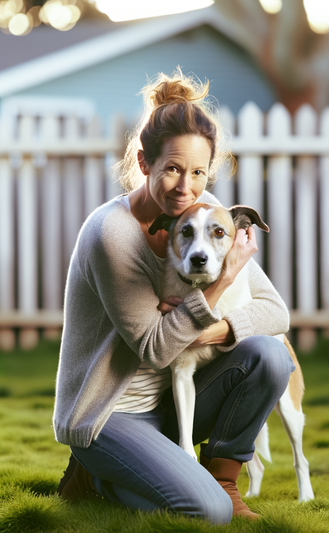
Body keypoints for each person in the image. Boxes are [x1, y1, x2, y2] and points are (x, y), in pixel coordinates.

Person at [52, 70, 293, 524]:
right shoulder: (112, 234)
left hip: (170, 403)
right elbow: (158, 349)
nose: (186, 188)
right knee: (208, 514)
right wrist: (219, 284)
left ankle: (222, 478)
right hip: (110, 415)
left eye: (199, 172)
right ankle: (95, 474)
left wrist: (213, 330)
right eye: (173, 170)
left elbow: (276, 312)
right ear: (145, 164)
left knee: (270, 355)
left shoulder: (201, 216)